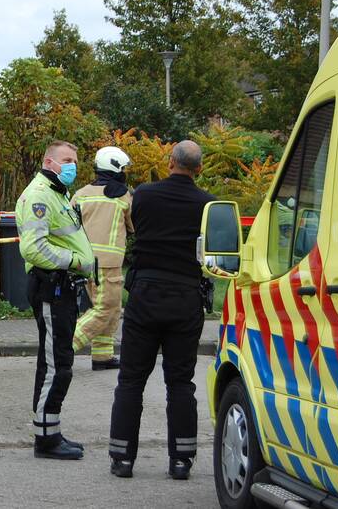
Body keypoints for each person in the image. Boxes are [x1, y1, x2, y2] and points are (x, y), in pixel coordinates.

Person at [108, 140, 213, 480]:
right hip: (185, 296)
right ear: (198, 168)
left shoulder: (145, 196)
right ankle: (181, 460)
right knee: (181, 382)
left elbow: (136, 228)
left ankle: (122, 458)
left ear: (170, 161)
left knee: (131, 381)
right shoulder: (208, 204)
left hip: (145, 295)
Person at [15, 140, 97, 460]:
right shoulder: (39, 196)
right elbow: (33, 249)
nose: (72, 166)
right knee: (56, 364)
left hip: (61, 288)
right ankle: (46, 439)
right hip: (52, 288)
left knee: (57, 361)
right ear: (49, 161)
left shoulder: (56, 193)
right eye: (66, 160)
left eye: (75, 160)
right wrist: (75, 262)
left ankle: (50, 431)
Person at [71, 146, 134, 370]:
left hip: (84, 260)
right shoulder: (123, 197)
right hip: (107, 263)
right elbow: (132, 226)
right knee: (105, 309)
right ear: (116, 168)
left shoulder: (80, 194)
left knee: (113, 307)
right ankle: (63, 349)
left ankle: (102, 357)